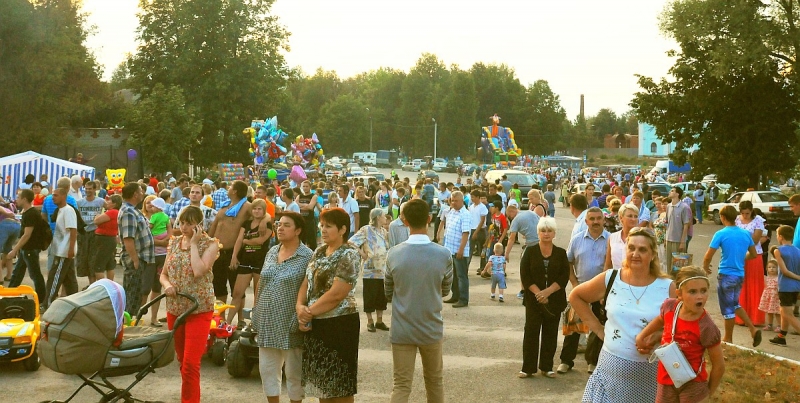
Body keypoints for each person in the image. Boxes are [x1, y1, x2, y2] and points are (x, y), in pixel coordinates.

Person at [571, 228, 675, 402]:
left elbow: (679, 326)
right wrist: (598, 329)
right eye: (631, 248)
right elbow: (576, 297)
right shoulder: (611, 278)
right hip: (609, 374)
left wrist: (659, 335)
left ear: (653, 254)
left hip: (650, 377)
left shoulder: (667, 286)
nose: (635, 254)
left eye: (642, 250)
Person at [385, 198, 452, 403]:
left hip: (402, 327)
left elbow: (388, 291)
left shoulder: (394, 254)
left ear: (404, 221)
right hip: (431, 325)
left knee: (402, 384)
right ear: (429, 219)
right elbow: (446, 289)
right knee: (434, 381)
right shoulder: (443, 254)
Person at [296, 208, 361, 402]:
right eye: (321, 226)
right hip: (317, 322)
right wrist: (300, 307)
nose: (323, 230)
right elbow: (306, 281)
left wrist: (308, 313)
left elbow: (337, 293)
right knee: (322, 384)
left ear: (342, 229)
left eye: (328, 226)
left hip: (339, 323)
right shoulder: (320, 251)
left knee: (340, 385)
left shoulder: (349, 254)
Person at [159, 206, 220, 403]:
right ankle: (189, 395)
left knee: (191, 363)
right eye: (182, 222)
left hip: (199, 308)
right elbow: (164, 274)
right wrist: (167, 285)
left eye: (189, 223)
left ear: (199, 225)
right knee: (181, 360)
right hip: (175, 307)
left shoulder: (210, 244)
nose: (184, 227)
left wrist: (194, 244)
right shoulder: (174, 242)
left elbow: (199, 271)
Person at [636, 266, 724, 403]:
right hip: (665, 380)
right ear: (679, 294)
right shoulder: (670, 307)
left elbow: (719, 365)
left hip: (693, 385)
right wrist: (642, 336)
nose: (700, 296)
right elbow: (660, 320)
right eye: (692, 292)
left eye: (704, 291)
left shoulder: (706, 327)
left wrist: (708, 393)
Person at [253, 211, 312, 403]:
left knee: (294, 374)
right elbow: (261, 283)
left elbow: (311, 290)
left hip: (291, 321)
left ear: (298, 230)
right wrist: (256, 311)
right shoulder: (272, 251)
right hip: (267, 319)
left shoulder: (307, 256)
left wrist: (303, 317)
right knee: (268, 370)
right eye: (279, 224)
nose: (280, 228)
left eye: (286, 225)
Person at [558, 207, 608, 374]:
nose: (595, 222)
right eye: (591, 219)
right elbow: (568, 262)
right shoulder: (577, 240)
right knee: (573, 327)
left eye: (598, 218)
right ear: (586, 221)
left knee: (598, 327)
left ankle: (592, 362)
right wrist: (574, 283)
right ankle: (566, 361)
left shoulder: (610, 240)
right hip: (580, 291)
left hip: (601, 292)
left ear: (603, 220)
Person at [702, 205, 761, 346]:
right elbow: (753, 254)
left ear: (722, 217)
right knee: (734, 304)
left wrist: (705, 267)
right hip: (739, 274)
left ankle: (728, 339)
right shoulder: (745, 233)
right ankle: (752, 329)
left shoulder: (721, 234)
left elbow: (708, 255)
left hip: (726, 274)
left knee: (727, 309)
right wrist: (740, 257)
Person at [518, 216, 569, 378]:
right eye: (543, 231)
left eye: (549, 231)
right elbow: (525, 276)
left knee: (550, 333)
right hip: (533, 300)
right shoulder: (530, 251)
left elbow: (563, 277)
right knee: (531, 332)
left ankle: (547, 367)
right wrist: (538, 293)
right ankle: (528, 368)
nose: (546, 234)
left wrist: (548, 292)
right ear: (538, 233)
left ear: (554, 233)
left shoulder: (561, 253)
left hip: (554, 299)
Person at [208, 180, 252, 304]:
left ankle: (241, 319)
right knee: (218, 286)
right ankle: (221, 319)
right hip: (217, 251)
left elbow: (263, 215)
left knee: (236, 289)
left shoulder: (246, 206)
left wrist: (265, 222)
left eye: (230, 186)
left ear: (235, 191)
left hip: (233, 252)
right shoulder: (224, 206)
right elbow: (215, 226)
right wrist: (207, 243)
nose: (228, 188)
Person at [349, 208, 390, 332]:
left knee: (381, 295)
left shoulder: (383, 231)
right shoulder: (366, 230)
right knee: (370, 295)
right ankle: (370, 321)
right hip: (370, 269)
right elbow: (351, 242)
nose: (386, 218)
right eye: (383, 216)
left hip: (382, 268)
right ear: (378, 217)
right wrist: (362, 253)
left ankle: (379, 320)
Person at [119, 182, 156, 315]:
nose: (142, 193)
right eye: (140, 191)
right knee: (132, 297)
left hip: (141, 259)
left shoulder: (133, 210)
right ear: (135, 194)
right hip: (136, 259)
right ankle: (129, 327)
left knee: (136, 294)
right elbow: (128, 238)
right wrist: (135, 260)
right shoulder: (128, 212)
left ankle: (131, 323)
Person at [7, 189, 47, 302]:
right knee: (17, 273)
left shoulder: (31, 214)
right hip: (27, 249)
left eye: (19, 197)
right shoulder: (28, 213)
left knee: (35, 274)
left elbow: (27, 234)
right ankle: (9, 295)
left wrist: (14, 249)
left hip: (30, 248)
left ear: (24, 199)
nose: (16, 200)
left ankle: (41, 299)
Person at [44, 187, 79, 308]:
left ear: (63, 196)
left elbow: (73, 230)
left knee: (55, 277)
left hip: (63, 251)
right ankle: (75, 302)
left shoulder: (68, 211)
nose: (53, 197)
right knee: (70, 280)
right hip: (61, 249)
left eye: (56, 195)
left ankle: (48, 302)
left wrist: (70, 249)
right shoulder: (60, 210)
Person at [734, 200, 766, 326]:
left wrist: (740, 242)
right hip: (739, 255)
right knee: (740, 285)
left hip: (754, 255)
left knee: (754, 285)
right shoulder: (736, 219)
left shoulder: (758, 220)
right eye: (743, 213)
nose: (745, 216)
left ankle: (755, 317)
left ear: (751, 211)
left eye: (747, 213)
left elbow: (756, 239)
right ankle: (741, 317)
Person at [769, 226, 800, 346]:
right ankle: (782, 336)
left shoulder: (778, 250)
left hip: (786, 286)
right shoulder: (798, 251)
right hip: (796, 287)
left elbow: (784, 271)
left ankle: (782, 335)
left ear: (780, 237)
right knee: (784, 310)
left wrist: (798, 277)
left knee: (788, 314)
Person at [441, 192, 471, 308]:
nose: (453, 203)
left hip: (459, 250)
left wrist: (461, 249)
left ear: (462, 201)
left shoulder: (465, 214)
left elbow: (465, 233)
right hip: (449, 248)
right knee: (452, 274)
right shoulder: (451, 212)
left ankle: (463, 299)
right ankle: (455, 295)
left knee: (461, 276)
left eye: (456, 201)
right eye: (452, 200)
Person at [76, 181, 105, 284]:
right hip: (83, 232)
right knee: (84, 257)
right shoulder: (79, 202)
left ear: (94, 189)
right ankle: (91, 283)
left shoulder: (100, 201)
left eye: (90, 189)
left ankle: (96, 284)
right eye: (86, 188)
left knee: (94, 257)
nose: (88, 191)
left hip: (95, 231)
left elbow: (110, 209)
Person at [92, 194, 122, 281]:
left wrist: (97, 216)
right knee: (109, 264)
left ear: (114, 203)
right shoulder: (116, 212)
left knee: (99, 265)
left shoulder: (112, 212)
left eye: (109, 201)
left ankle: (102, 286)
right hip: (110, 239)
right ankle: (110, 283)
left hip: (104, 240)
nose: (107, 202)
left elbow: (96, 221)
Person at [604, 203, 639, 271]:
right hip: (616, 279)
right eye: (630, 216)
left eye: (636, 216)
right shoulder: (612, 237)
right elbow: (608, 265)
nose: (633, 219)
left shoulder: (643, 238)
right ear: (621, 217)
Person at [665, 186, 691, 277]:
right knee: (668, 262)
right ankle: (669, 281)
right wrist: (665, 238)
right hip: (669, 238)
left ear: (677, 194)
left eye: (672, 191)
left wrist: (683, 241)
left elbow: (686, 225)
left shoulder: (683, 207)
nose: (670, 192)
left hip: (678, 239)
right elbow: (667, 223)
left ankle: (678, 282)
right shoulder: (668, 206)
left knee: (678, 264)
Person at [297, 180, 319, 250]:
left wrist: (301, 206)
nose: (305, 188)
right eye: (303, 186)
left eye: (307, 186)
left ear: (310, 187)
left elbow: (310, 207)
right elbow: (296, 204)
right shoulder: (299, 196)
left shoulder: (314, 196)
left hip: (310, 221)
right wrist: (306, 205)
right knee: (301, 240)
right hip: (301, 221)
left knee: (312, 241)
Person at [760, 259, 781, 332]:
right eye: (769, 267)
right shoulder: (766, 278)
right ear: (767, 269)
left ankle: (779, 325)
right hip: (768, 297)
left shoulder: (779, 278)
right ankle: (769, 324)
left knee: (777, 312)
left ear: (778, 268)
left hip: (775, 297)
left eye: (774, 267)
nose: (771, 269)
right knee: (769, 312)